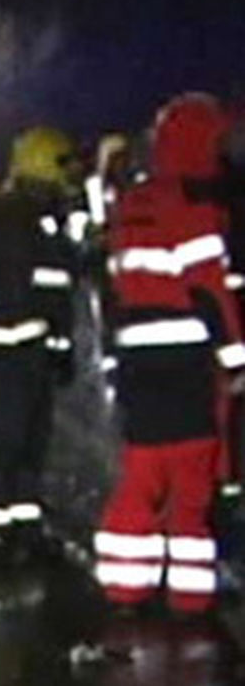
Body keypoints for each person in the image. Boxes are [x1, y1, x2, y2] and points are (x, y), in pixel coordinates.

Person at [95, 93, 245, 615]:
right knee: (190, 482)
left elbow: (113, 284)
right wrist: (236, 358)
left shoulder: (133, 203)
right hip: (184, 363)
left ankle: (125, 584)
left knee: (142, 473)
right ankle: (189, 593)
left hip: (138, 361)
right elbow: (208, 289)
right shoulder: (191, 206)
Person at [0, 127, 79, 538]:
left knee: (31, 430)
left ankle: (23, 508)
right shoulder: (18, 213)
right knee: (10, 431)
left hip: (28, 340)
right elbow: (43, 283)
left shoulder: (30, 212)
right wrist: (56, 342)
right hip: (15, 342)